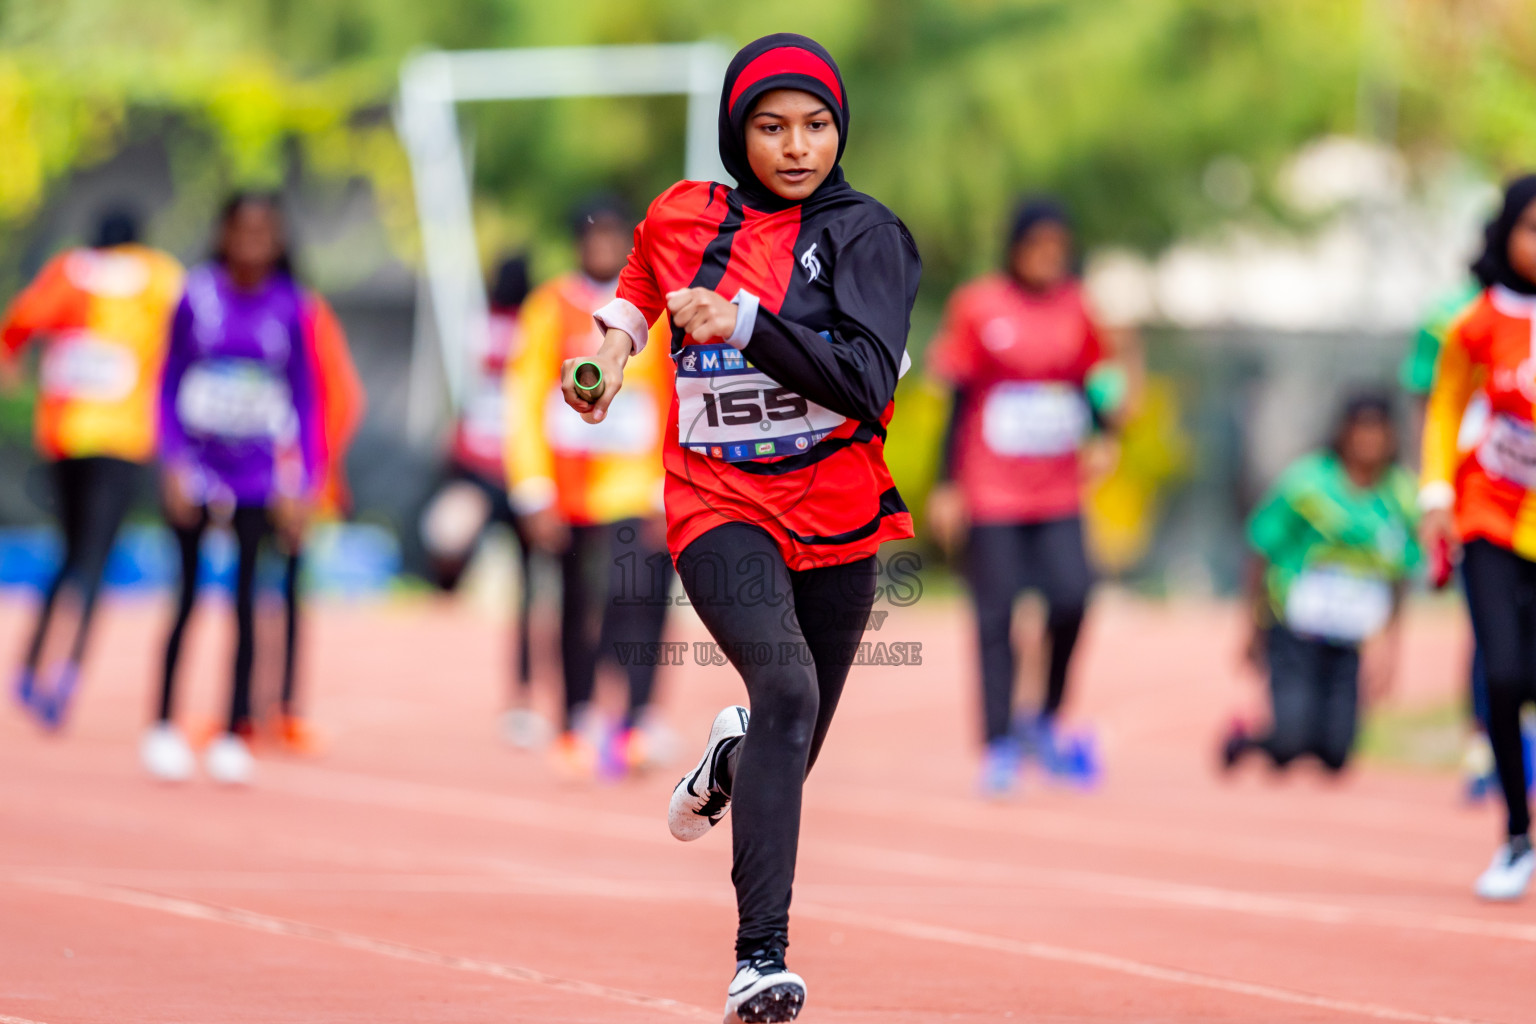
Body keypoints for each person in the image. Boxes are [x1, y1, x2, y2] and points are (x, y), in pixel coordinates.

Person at [564, 34, 920, 1022]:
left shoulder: (868, 236)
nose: (797, 145)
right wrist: (606, 354)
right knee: (788, 683)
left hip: (841, 513)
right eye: (771, 127)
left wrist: (746, 325)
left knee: (786, 737)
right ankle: (759, 960)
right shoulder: (682, 216)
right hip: (716, 500)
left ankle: (730, 754)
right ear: (736, 130)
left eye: (816, 125)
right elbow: (637, 290)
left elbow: (866, 383)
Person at [925, 197, 1139, 796]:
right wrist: (946, 484)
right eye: (1037, 246)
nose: (1048, 257)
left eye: (1058, 247)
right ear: (1015, 248)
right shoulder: (979, 306)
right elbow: (960, 399)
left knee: (1074, 597)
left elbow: (1095, 384)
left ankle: (1042, 719)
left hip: (1059, 489)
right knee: (995, 616)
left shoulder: (1079, 309)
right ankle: (997, 746)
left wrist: (1107, 433)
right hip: (991, 489)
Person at [145, 192, 320, 785]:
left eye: (263, 234)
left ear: (277, 241)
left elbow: (305, 399)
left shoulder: (292, 307)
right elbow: (166, 384)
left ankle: (233, 727)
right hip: (196, 464)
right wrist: (170, 461)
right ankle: (164, 723)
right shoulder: (195, 296)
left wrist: (306, 480)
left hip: (258, 474)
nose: (251, 244)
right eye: (240, 232)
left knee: (248, 602)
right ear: (223, 234)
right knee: (188, 595)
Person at [506, 200, 674, 778]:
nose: (602, 246)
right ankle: (575, 721)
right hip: (571, 489)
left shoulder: (657, 310)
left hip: (636, 489)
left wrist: (668, 485)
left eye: (613, 237)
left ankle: (634, 721)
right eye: (592, 235)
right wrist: (532, 488)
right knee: (577, 609)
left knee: (639, 604)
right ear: (576, 241)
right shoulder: (549, 306)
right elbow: (525, 397)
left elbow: (675, 396)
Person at [1, 208, 184, 728]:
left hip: (65, 436)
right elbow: (194, 327)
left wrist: (12, 359)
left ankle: (29, 662)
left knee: (68, 551)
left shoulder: (70, 270)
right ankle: (68, 671)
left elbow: (20, 319)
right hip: (122, 438)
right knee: (94, 559)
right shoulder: (157, 275)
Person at [1421, 173, 1536, 900]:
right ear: (1506, 235)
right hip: (1489, 515)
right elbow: (1443, 409)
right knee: (1501, 676)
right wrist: (1435, 494)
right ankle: (1516, 836)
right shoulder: (1477, 322)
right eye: (1532, 229)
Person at [1221, 394, 1419, 776]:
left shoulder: (1400, 496)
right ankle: (1243, 740)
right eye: (1361, 431)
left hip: (1349, 641)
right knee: (1291, 742)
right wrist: (1251, 624)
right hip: (1294, 630)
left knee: (1334, 757)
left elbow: (1400, 576)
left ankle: (1286, 737)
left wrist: (1391, 647)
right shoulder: (1307, 484)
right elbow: (1260, 546)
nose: (1370, 442)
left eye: (1379, 432)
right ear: (1343, 433)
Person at [416, 256, 549, 747]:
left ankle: (523, 695)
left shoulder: (496, 327)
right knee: (523, 585)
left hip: (509, 468)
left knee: (527, 588)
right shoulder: (523, 326)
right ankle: (449, 579)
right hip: (498, 467)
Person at [267, 288, 365, 753]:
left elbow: (344, 398)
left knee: (286, 592)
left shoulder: (309, 317)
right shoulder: (221, 307)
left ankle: (283, 707)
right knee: (251, 593)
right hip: (242, 473)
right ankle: (241, 710)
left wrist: (311, 474)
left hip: (296, 481)